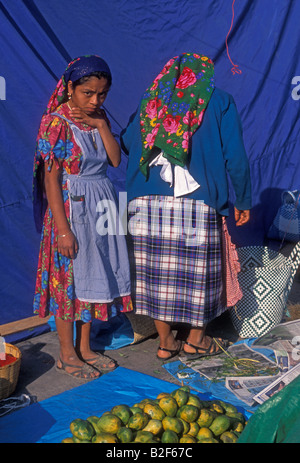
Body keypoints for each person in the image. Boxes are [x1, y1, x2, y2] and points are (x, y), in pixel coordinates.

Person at [121, 53, 251, 360]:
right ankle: (196, 340)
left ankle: (166, 343)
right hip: (197, 202)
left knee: (155, 276)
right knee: (199, 277)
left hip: (145, 204)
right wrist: (243, 199)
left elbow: (128, 142)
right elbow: (235, 156)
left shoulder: (150, 101)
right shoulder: (218, 101)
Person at [33, 55, 132, 379]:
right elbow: (50, 179)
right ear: (70, 88)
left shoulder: (98, 117)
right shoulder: (56, 123)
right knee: (69, 283)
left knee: (98, 275)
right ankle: (66, 352)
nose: (94, 100)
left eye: (101, 94)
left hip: (102, 204)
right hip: (71, 211)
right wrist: (63, 230)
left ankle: (86, 347)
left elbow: (115, 161)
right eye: (87, 93)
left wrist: (101, 124)